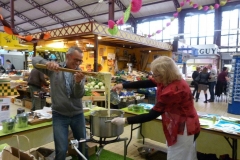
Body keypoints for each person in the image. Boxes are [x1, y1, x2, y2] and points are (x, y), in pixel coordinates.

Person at [111, 56, 200, 160]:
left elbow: (152, 115)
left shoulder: (173, 91)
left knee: (177, 156)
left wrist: (125, 120)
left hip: (184, 128)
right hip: (185, 122)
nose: (153, 76)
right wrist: (123, 85)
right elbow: (148, 82)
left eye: (155, 74)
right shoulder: (170, 79)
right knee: (187, 156)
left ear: (164, 74)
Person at [32, 46, 88, 160]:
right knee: (61, 149)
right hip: (59, 115)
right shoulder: (54, 69)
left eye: (80, 61)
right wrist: (48, 63)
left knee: (83, 146)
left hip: (77, 114)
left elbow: (79, 95)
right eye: (76, 59)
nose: (78, 63)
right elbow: (35, 60)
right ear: (68, 56)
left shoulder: (80, 72)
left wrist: (78, 83)